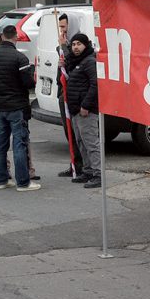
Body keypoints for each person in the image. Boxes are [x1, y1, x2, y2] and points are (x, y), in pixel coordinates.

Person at [0, 25, 39, 191]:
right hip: (17, 106)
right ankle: (23, 182)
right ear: (15, 37)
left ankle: (2, 180)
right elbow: (28, 83)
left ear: (2, 37)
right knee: (19, 144)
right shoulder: (19, 58)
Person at [64, 33, 101, 189]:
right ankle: (87, 171)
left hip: (86, 111)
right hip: (75, 111)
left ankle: (98, 174)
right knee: (81, 142)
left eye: (79, 44)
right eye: (73, 44)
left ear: (86, 45)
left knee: (91, 143)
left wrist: (86, 105)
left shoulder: (89, 62)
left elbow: (95, 85)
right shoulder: (75, 62)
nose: (75, 47)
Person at [54, 13, 85, 180]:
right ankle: (74, 164)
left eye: (64, 27)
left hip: (75, 96)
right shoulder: (64, 44)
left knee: (78, 134)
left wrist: (65, 48)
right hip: (63, 94)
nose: (62, 31)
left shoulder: (78, 44)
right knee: (69, 133)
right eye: (60, 27)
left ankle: (83, 167)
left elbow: (72, 65)